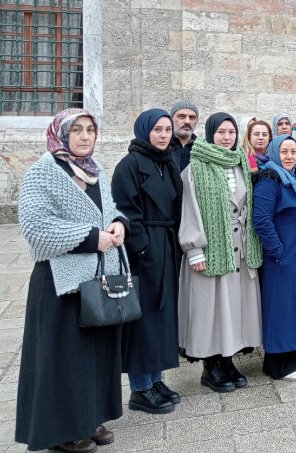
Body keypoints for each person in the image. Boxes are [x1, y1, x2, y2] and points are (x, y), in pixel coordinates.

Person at [16, 108, 127, 452]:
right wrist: (93, 237)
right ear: (60, 134)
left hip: (97, 280)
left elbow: (108, 209)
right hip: (60, 283)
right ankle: (60, 432)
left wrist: (120, 223)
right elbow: (36, 228)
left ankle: (88, 418)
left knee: (92, 355)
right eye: (76, 130)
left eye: (90, 130)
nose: (84, 136)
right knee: (62, 357)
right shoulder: (43, 172)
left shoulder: (96, 169)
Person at [177, 112, 263, 393]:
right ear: (211, 133)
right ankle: (210, 365)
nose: (226, 138)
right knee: (212, 309)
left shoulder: (240, 164)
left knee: (232, 309)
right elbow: (190, 210)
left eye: (231, 132)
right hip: (213, 248)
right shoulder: (195, 168)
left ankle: (227, 361)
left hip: (239, 249)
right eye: (221, 133)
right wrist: (194, 249)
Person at [111, 109, 183, 414]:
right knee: (143, 320)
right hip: (145, 252)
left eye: (168, 129)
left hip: (167, 246)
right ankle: (140, 389)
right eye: (158, 130)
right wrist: (142, 249)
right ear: (144, 131)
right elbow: (125, 209)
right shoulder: (129, 165)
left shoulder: (167, 162)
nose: (164, 135)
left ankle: (156, 379)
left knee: (162, 317)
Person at [252, 135, 296, 380]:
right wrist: (278, 251)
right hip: (283, 258)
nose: (290, 156)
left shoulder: (293, 177)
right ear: (274, 153)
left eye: (293, 151)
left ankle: (295, 353)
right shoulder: (269, 180)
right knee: (283, 307)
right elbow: (261, 219)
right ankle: (279, 365)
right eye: (284, 152)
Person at [169, 100, 199, 170]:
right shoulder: (163, 146)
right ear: (171, 119)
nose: (187, 121)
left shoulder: (202, 149)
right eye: (181, 116)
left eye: (192, 117)